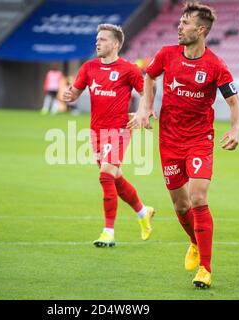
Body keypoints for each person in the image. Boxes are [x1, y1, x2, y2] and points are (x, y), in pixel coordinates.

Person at [128, 2, 239, 288]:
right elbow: (150, 75)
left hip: (199, 139)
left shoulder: (215, 65)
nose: (179, 26)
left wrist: (236, 128)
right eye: (179, 22)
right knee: (180, 206)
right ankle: (194, 241)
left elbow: (233, 101)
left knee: (198, 197)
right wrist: (145, 107)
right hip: (169, 139)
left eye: (186, 23)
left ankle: (205, 267)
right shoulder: (166, 54)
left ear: (201, 30)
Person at [62, 24, 155, 247]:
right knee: (115, 178)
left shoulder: (128, 69)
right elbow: (75, 92)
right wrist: (69, 95)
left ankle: (108, 232)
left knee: (105, 176)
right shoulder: (89, 67)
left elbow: (146, 92)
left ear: (115, 44)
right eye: (97, 39)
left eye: (103, 39)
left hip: (120, 129)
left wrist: (144, 111)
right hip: (96, 131)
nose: (98, 42)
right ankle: (143, 212)